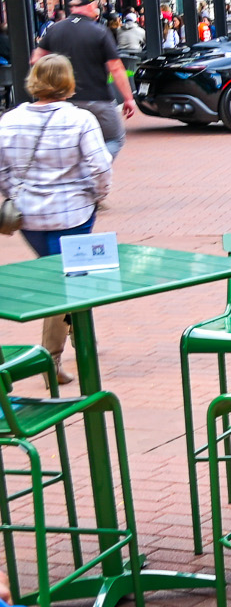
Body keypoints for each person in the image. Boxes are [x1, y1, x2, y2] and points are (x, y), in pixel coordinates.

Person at [0, 55, 111, 380]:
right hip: (74, 214)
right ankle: (52, 358)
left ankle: (77, 332)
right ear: (68, 81)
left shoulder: (10, 120)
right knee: (68, 284)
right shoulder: (80, 119)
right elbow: (101, 167)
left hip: (29, 218)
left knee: (66, 278)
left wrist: (16, 193)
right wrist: (95, 195)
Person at [33, 0, 134, 160]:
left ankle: (74, 169)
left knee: (69, 142)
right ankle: (93, 169)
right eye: (96, 4)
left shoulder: (55, 29)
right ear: (90, 5)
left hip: (64, 99)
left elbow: (36, 60)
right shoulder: (100, 31)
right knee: (114, 138)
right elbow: (116, 68)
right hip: (98, 98)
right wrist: (128, 98)